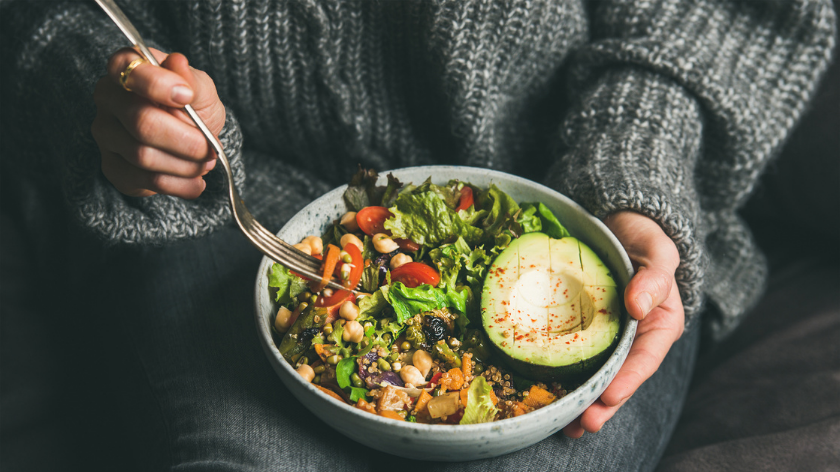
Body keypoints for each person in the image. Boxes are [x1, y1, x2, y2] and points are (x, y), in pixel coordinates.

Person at [0, 0, 834, 470]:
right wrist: (116, 96)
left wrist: (633, 163)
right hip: (223, 211)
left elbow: (717, 15)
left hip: (576, 199)